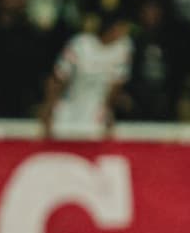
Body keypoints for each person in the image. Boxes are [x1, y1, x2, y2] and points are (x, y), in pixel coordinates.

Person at [39, 11, 133, 139]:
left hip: (95, 117)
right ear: (112, 28)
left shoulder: (124, 48)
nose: (125, 33)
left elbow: (116, 85)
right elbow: (58, 78)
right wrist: (48, 110)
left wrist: (107, 113)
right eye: (122, 28)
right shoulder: (80, 44)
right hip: (67, 112)